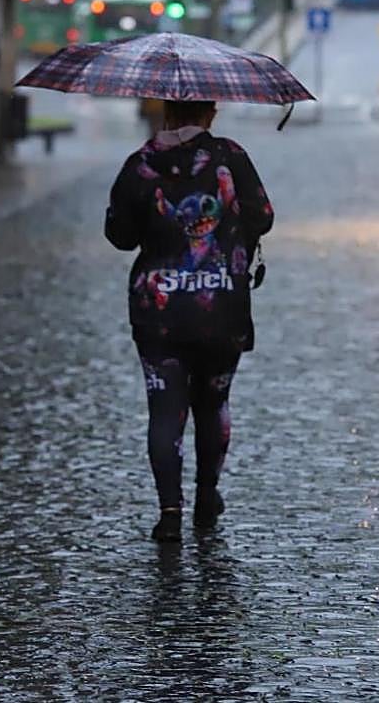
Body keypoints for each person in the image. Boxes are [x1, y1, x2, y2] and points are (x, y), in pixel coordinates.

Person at [105, 100, 274, 542]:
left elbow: (119, 236)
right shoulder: (231, 157)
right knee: (214, 402)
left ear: (165, 111)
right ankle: (206, 495)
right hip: (221, 305)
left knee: (165, 409)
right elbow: (263, 216)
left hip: (159, 309)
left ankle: (169, 513)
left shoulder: (140, 164)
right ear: (211, 112)